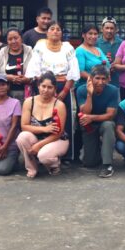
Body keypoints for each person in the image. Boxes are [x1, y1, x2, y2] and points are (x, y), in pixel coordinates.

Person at [25, 21, 80, 161]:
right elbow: (35, 69)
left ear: (62, 33)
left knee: (65, 121)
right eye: (52, 29)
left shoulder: (67, 47)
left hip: (63, 87)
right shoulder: (40, 46)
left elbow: (73, 71)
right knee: (42, 119)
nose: (55, 31)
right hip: (44, 88)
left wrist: (65, 91)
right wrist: (47, 88)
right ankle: (41, 152)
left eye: (58, 29)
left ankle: (67, 156)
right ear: (47, 32)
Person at [15, 72, 69, 178]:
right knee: (22, 137)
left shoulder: (59, 105)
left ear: (55, 89)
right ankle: (32, 167)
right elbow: (24, 126)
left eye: (50, 87)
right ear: (38, 86)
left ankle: (54, 165)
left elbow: (58, 133)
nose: (46, 90)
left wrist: (38, 145)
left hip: (56, 139)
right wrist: (45, 129)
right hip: (36, 137)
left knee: (43, 155)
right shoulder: (29, 102)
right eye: (43, 86)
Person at [76, 65, 119, 177]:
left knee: (109, 125)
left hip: (104, 123)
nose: (100, 82)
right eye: (97, 78)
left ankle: (107, 165)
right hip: (88, 125)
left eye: (103, 79)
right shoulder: (81, 90)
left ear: (108, 79)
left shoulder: (113, 90)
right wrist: (89, 94)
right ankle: (99, 149)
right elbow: (85, 112)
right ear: (91, 78)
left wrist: (92, 118)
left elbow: (110, 115)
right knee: (90, 163)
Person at [0, 27, 33, 103]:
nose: (13, 41)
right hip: (4, 94)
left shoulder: (31, 52)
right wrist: (6, 77)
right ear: (7, 41)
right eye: (10, 39)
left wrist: (28, 79)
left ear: (21, 38)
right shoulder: (0, 54)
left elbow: (37, 72)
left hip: (26, 93)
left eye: (16, 38)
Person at [75, 23, 109, 89]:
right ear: (83, 35)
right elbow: (81, 72)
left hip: (102, 86)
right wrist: (97, 81)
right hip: (87, 86)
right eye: (90, 33)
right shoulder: (79, 51)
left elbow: (107, 65)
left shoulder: (98, 49)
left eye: (95, 34)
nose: (93, 36)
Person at [97, 17, 121, 88]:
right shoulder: (96, 43)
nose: (109, 31)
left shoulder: (122, 43)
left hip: (117, 81)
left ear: (116, 30)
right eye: (107, 28)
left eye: (112, 28)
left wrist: (116, 65)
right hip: (99, 81)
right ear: (102, 29)